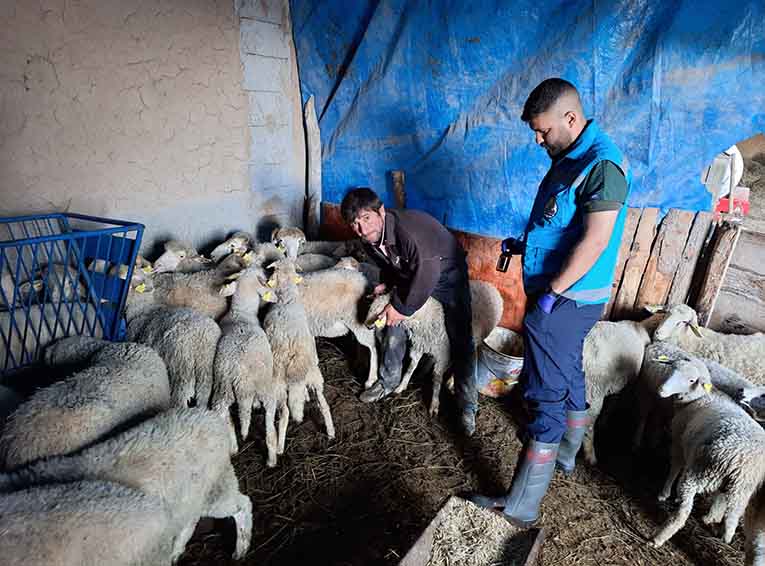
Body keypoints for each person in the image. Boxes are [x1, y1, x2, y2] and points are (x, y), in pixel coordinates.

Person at [471, 78, 631, 525]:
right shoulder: (569, 156)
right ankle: (564, 453)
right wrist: (527, 249)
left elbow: (595, 241)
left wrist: (552, 296)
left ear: (571, 118)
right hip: (563, 292)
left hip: (566, 298)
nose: (538, 140)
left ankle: (521, 503)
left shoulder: (601, 165)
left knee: (544, 392)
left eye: (543, 131)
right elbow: (560, 226)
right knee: (568, 369)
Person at [340, 188, 478, 435]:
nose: (362, 228)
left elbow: (428, 273)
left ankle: (467, 405)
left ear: (380, 211)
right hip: (411, 274)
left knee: (460, 336)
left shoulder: (408, 231)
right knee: (392, 323)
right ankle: (388, 381)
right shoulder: (370, 239)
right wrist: (388, 284)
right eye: (355, 224)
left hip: (446, 275)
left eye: (366, 218)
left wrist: (401, 308)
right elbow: (390, 265)